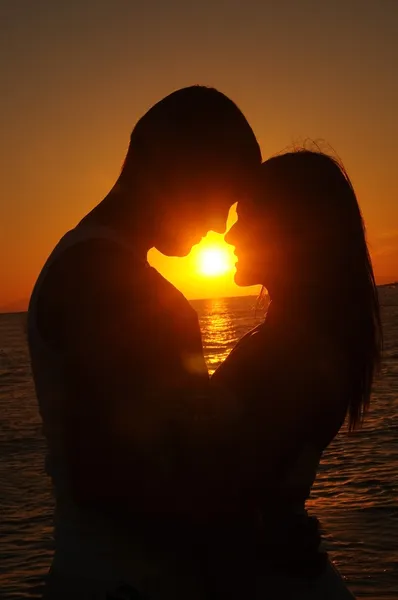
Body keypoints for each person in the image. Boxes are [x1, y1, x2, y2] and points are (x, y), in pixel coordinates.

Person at [27, 86, 262, 599]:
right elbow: (118, 475)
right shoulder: (105, 279)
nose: (221, 226)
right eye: (225, 198)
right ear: (183, 168)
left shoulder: (92, 265)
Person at [211, 150, 382, 598]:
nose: (229, 234)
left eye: (246, 216)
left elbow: (225, 492)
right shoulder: (304, 339)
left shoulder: (294, 353)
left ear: (290, 228)